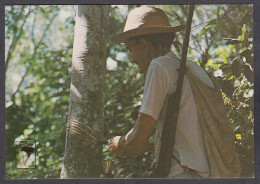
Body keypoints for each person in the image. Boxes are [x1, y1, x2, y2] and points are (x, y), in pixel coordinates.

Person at [108, 6, 240, 178]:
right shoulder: (190, 67)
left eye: (130, 49)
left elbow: (137, 141)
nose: (132, 58)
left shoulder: (159, 66)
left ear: (145, 44)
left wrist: (122, 144)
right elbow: (186, 136)